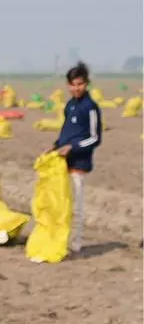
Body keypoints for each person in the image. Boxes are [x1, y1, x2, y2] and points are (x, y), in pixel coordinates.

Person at [54, 62, 101, 255]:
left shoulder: (90, 107)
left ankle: (76, 243)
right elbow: (66, 132)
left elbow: (95, 137)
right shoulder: (70, 105)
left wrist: (73, 148)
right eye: (73, 84)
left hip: (79, 163)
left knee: (76, 205)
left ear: (87, 84)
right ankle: (61, 239)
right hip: (63, 162)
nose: (76, 88)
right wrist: (54, 147)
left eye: (80, 84)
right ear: (67, 85)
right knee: (62, 203)